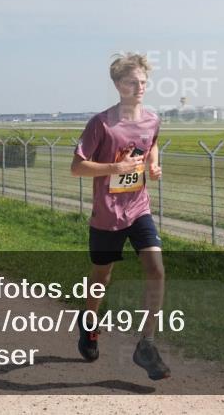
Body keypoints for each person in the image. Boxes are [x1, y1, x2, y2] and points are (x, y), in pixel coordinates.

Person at [70, 52, 169, 380]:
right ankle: (89, 323)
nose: (139, 87)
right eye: (132, 82)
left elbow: (152, 144)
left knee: (156, 268)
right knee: (102, 276)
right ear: (117, 85)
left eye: (143, 82)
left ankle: (147, 344)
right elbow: (77, 167)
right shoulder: (101, 124)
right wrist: (116, 167)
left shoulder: (152, 119)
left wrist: (153, 164)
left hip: (139, 208)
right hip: (107, 215)